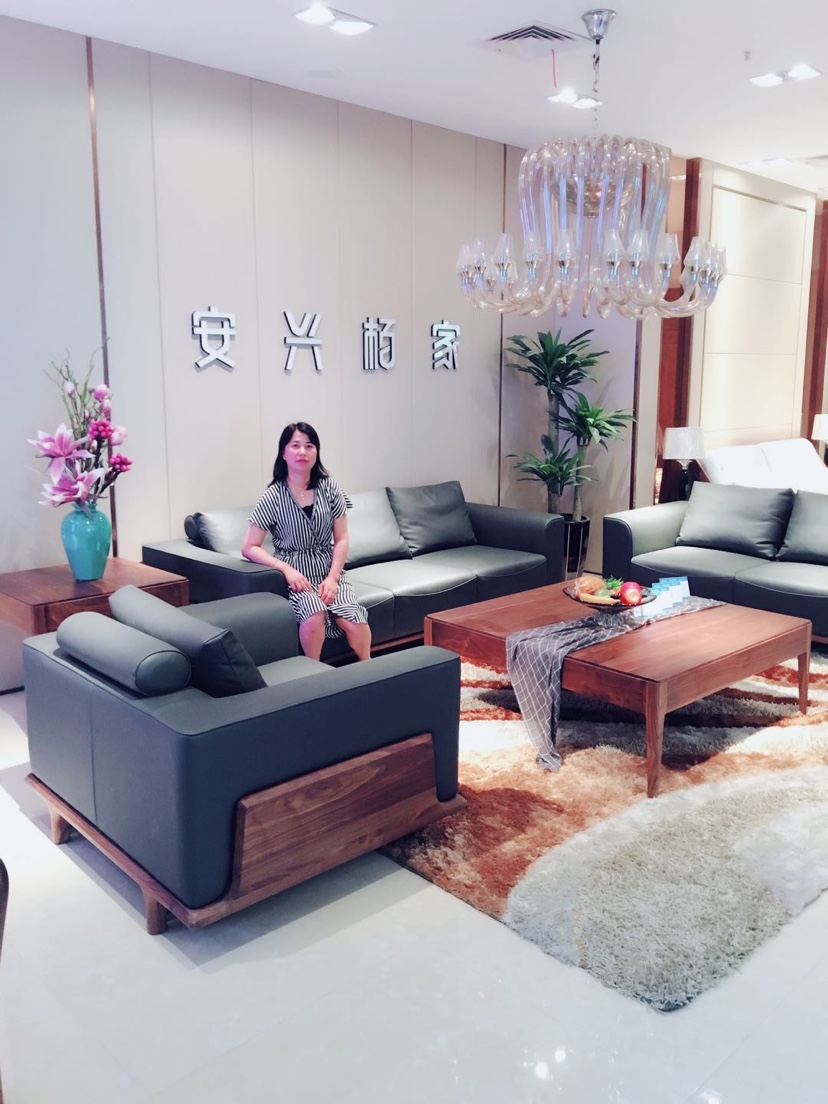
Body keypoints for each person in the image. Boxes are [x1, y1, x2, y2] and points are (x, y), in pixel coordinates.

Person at [242, 422, 371, 661]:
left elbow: (341, 538)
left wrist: (333, 578)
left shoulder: (329, 487)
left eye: (309, 446)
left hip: (329, 570)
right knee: (314, 614)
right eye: (295, 446)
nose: (303, 451)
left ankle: (371, 671)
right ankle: (314, 673)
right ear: (283, 453)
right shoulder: (273, 495)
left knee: (354, 619)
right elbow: (249, 547)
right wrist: (285, 569)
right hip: (296, 576)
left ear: (316, 452)